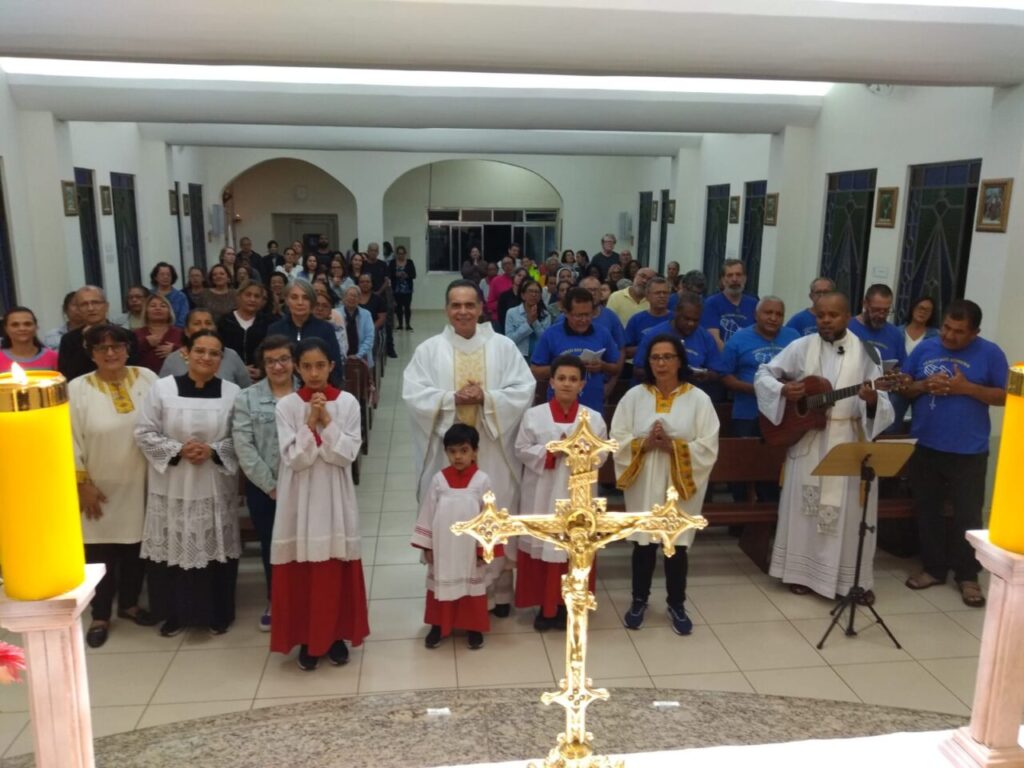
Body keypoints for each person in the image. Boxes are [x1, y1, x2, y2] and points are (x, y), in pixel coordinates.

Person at [403, 279, 536, 615]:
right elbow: (414, 394)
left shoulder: (503, 347)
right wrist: (452, 399)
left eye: (469, 305)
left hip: (492, 451)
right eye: (455, 305)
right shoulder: (429, 350)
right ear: (446, 309)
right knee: (451, 522)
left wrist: (487, 398)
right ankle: (450, 595)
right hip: (448, 456)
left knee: (496, 513)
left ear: (480, 308)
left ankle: (499, 595)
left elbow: (524, 389)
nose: (462, 312)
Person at [753, 292, 894, 601]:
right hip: (808, 441)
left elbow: (881, 400)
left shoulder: (867, 352)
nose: (826, 321)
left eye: (833, 315)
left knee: (848, 517)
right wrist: (783, 390)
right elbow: (764, 373)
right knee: (805, 513)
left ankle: (849, 581)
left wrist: (872, 401)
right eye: (820, 315)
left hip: (847, 441)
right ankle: (801, 574)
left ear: (848, 316)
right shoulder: (801, 346)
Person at [898, 299, 1007, 608]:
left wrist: (967, 388)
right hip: (926, 445)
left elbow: (1006, 396)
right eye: (946, 327)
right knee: (927, 510)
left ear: (975, 332)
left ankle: (967, 576)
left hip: (969, 451)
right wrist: (922, 385)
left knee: (967, 515)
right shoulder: (926, 347)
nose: (949, 335)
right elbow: (904, 386)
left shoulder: (991, 353)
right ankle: (933, 569)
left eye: (959, 331)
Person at [135, 330, 242, 636]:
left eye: (214, 353)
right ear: (186, 353)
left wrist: (214, 450)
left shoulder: (232, 392)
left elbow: (241, 437)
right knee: (174, 545)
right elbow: (144, 432)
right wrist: (178, 449)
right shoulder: (162, 389)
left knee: (215, 546)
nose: (206, 357)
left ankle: (218, 613)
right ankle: (175, 614)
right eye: (200, 351)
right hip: (173, 482)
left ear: (221, 359)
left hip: (213, 483)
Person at [271, 337, 369, 670]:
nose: (314, 374)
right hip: (298, 497)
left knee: (334, 565)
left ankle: (336, 636)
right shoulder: (286, 406)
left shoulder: (348, 403)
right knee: (303, 571)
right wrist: (310, 421)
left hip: (334, 494)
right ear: (297, 369)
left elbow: (345, 455)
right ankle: (307, 640)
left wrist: (326, 419)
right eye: (307, 366)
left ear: (331, 366)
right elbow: (295, 459)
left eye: (320, 365)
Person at [612, 334, 719, 634]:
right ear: (648, 362)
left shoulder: (699, 399)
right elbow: (617, 437)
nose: (661, 363)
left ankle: (676, 603)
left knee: (676, 544)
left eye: (667, 357)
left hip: (679, 479)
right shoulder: (634, 397)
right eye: (655, 357)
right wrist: (643, 444)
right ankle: (638, 600)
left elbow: (708, 445)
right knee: (643, 544)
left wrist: (673, 445)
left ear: (680, 360)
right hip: (644, 476)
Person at [70, 324, 159, 648]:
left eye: (117, 346)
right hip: (98, 486)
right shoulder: (77, 389)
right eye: (102, 348)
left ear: (127, 348)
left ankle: (130, 604)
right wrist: (82, 483)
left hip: (141, 482)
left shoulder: (147, 378)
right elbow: (69, 439)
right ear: (91, 353)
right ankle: (100, 614)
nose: (110, 353)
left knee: (136, 548)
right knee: (100, 552)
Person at [514, 355, 606, 630]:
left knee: (573, 550)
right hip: (542, 493)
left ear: (582, 385)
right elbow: (521, 449)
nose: (567, 384)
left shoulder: (593, 419)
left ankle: (569, 606)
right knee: (544, 546)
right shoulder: (534, 415)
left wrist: (579, 451)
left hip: (577, 493)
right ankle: (545, 607)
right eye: (562, 378)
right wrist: (551, 451)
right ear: (551, 382)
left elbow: (601, 455)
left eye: (573, 379)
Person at [233, 335, 297, 632]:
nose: (278, 366)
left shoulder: (308, 393)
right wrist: (271, 486)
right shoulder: (247, 398)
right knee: (273, 545)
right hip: (265, 489)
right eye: (270, 361)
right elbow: (244, 446)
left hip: (306, 486)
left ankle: (305, 599)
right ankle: (276, 600)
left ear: (294, 361)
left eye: (284, 359)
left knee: (307, 544)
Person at [411, 423, 493, 649]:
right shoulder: (439, 480)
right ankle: (438, 625)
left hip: (470, 548)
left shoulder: (482, 480)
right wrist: (428, 546)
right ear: (446, 452)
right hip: (443, 547)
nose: (458, 457)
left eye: (464, 450)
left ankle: (474, 627)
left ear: (475, 451)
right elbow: (428, 513)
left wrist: (483, 548)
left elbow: (489, 517)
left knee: (471, 586)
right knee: (440, 584)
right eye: (452, 451)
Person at [715, 297, 797, 500]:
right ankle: (740, 513)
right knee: (743, 467)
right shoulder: (738, 340)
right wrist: (761, 390)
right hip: (747, 413)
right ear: (756, 315)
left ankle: (770, 511)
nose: (773, 318)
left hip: (783, 415)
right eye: (768, 313)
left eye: (778, 314)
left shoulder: (794, 338)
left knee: (773, 468)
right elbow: (725, 377)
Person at [531, 288, 621, 414]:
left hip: (592, 408)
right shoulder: (551, 334)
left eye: (588, 315)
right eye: (578, 315)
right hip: (559, 409)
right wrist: (565, 368)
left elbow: (616, 367)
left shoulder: (602, 333)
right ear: (566, 313)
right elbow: (535, 370)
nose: (584, 320)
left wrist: (602, 366)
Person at [633, 292, 721, 395]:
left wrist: (706, 375)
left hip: (691, 395)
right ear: (676, 313)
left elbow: (716, 372)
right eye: (686, 319)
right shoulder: (654, 335)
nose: (691, 323)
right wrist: (667, 373)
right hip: (656, 394)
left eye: (695, 320)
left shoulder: (705, 337)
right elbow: (638, 370)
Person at [268, 280, 344, 387]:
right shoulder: (275, 329)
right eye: (294, 297)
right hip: (283, 389)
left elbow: (335, 368)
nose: (300, 302)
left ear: (312, 302)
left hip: (318, 390)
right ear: (287, 300)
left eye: (305, 298)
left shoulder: (326, 329)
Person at [160, 308, 250, 388]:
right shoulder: (173, 360)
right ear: (187, 331)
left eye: (208, 323)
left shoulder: (231, 356)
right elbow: (162, 391)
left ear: (215, 328)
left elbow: (246, 390)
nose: (203, 327)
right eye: (197, 323)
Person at [59, 286, 134, 381]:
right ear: (78, 310)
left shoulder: (126, 335)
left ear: (106, 306)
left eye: (95, 303)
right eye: (84, 304)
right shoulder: (69, 340)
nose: (90, 308)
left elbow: (133, 370)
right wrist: (86, 342)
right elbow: (67, 376)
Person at [217, 279, 270, 383]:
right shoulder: (224, 321)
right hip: (230, 377)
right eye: (248, 295)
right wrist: (240, 369)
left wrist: (263, 370)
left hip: (261, 379)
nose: (252, 299)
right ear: (239, 296)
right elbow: (219, 350)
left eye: (257, 296)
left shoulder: (268, 323)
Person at [702, 259, 758, 350]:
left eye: (738, 275)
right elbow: (714, 340)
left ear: (745, 278)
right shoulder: (711, 304)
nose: (734, 279)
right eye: (730, 275)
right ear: (723, 280)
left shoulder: (754, 304)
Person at [848, 283, 906, 370]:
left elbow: (903, 367)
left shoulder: (895, 334)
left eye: (886, 311)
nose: (881, 315)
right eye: (876, 310)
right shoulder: (847, 327)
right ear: (865, 304)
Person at [623, 276, 672, 365]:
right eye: (657, 293)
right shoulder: (636, 320)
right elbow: (626, 352)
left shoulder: (676, 319)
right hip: (642, 370)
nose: (662, 296)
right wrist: (648, 348)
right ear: (647, 296)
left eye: (665, 293)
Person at [133, 293, 183, 373]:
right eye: (153, 306)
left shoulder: (180, 333)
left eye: (163, 306)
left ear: (169, 312)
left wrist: (175, 350)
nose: (158, 308)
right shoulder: (136, 334)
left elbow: (190, 356)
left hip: (174, 378)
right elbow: (129, 358)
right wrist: (145, 343)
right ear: (146, 311)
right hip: (144, 377)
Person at [1, 305, 59, 373]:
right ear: (6, 329)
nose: (22, 328)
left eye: (27, 324)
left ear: (36, 327)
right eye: (15, 325)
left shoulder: (53, 357)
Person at [504, 277, 551, 360]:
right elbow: (509, 339)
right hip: (518, 355)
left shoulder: (546, 315)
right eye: (530, 291)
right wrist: (528, 323)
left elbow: (546, 340)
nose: (534, 295)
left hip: (538, 356)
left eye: (537, 292)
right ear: (523, 295)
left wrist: (535, 322)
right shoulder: (512, 313)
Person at [340, 286, 374, 367]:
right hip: (340, 359)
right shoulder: (336, 314)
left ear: (359, 299)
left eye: (355, 296)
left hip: (362, 358)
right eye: (349, 295)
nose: (352, 298)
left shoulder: (366, 314)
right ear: (343, 298)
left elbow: (369, 338)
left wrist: (358, 356)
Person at [149, 262, 189, 329]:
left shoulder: (180, 296)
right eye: (162, 274)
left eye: (168, 275)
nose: (165, 277)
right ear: (155, 277)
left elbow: (183, 320)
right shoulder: (149, 294)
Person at [389, 245, 416, 331]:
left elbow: (414, 274)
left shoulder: (410, 262)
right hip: (396, 288)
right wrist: (395, 275)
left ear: (405, 254)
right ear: (396, 254)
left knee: (407, 307)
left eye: (402, 253)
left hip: (407, 289)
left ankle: (408, 324)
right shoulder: (392, 263)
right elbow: (389, 274)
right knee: (398, 307)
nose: (401, 255)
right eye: (399, 253)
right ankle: (400, 324)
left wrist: (407, 275)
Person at [496, 267, 528, 335]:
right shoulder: (504, 296)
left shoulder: (527, 296)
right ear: (514, 276)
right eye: (519, 275)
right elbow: (501, 316)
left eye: (524, 277)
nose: (521, 278)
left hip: (524, 330)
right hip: (507, 330)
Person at [485, 254, 516, 325]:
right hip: (500, 317)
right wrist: (502, 303)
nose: (507, 266)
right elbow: (490, 303)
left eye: (509, 263)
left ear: (514, 265)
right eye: (505, 264)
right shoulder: (496, 281)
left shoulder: (520, 279)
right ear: (502, 267)